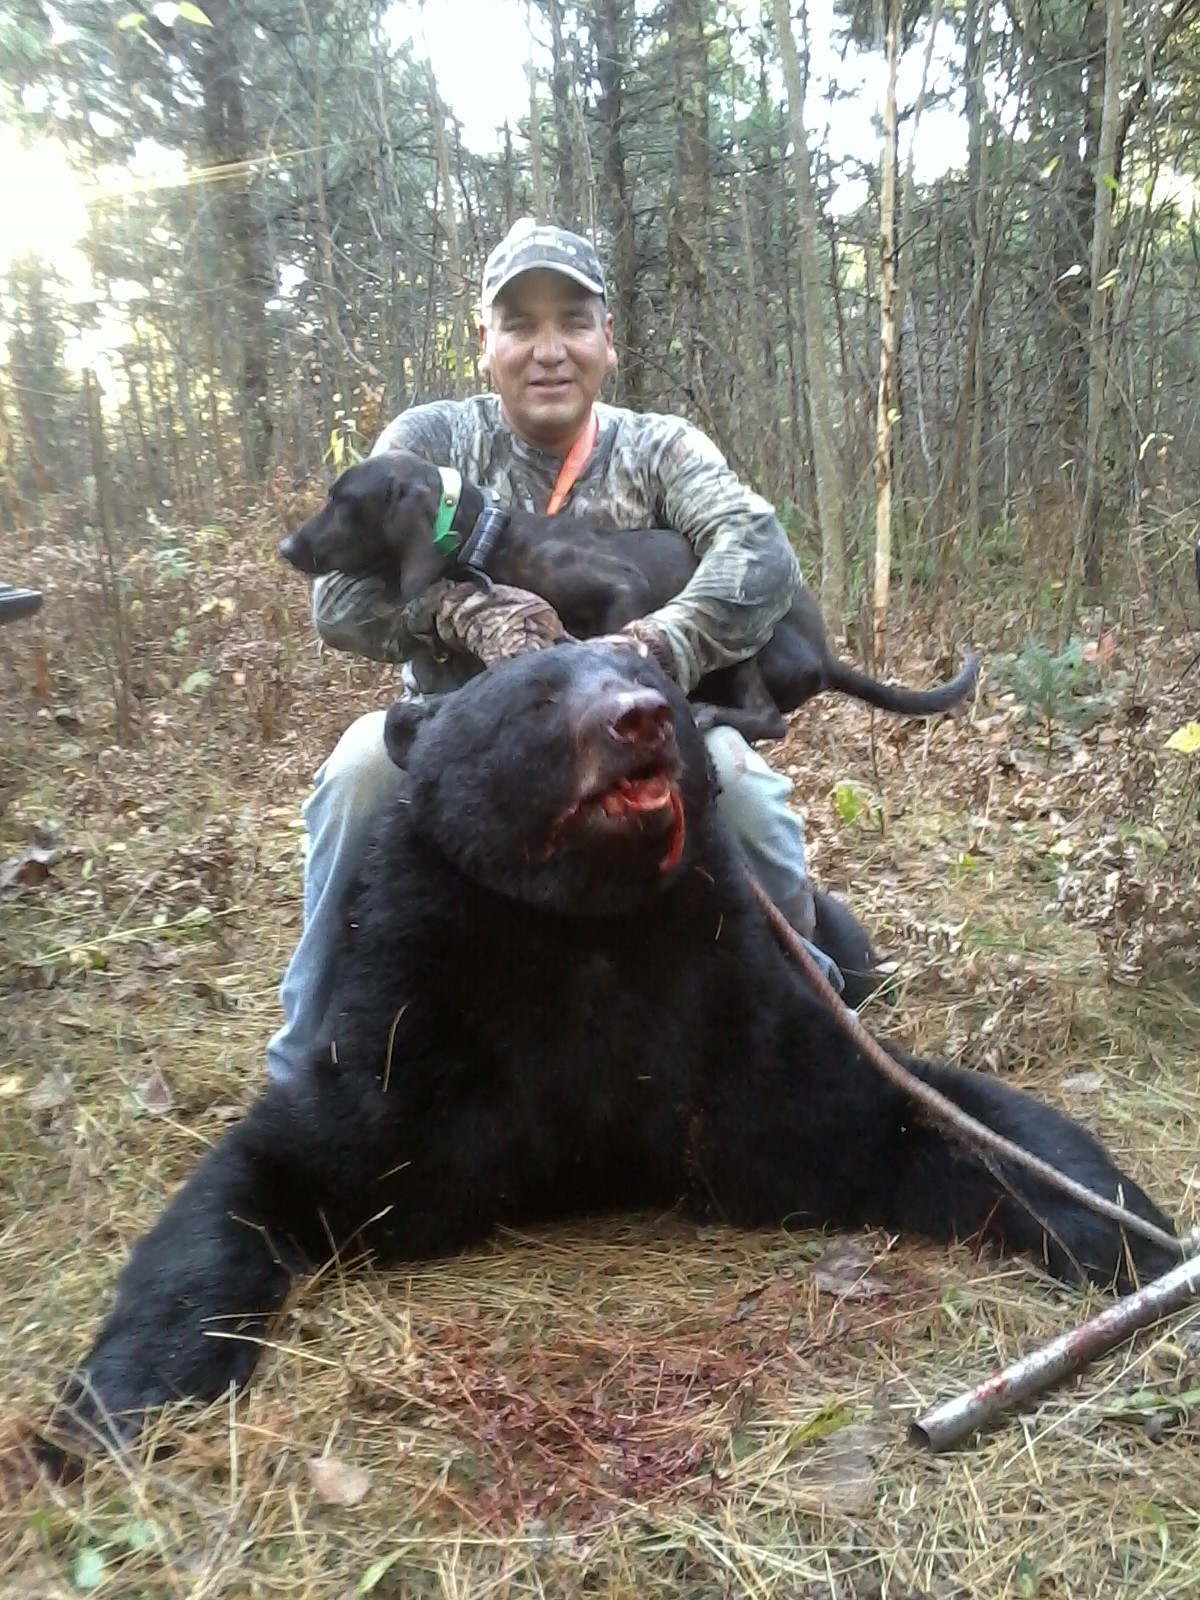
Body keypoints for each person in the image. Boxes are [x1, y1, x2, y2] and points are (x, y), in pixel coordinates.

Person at [267, 219, 843, 1084]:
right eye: (520, 324)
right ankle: (308, 1056)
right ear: (485, 342)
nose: (548, 351)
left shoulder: (659, 447)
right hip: (464, 728)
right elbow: (338, 598)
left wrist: (651, 645)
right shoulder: (431, 442)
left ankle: (818, 1028)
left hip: (644, 722)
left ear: (609, 339)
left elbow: (760, 553)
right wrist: (462, 615)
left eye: (573, 322)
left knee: (749, 797)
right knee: (358, 774)